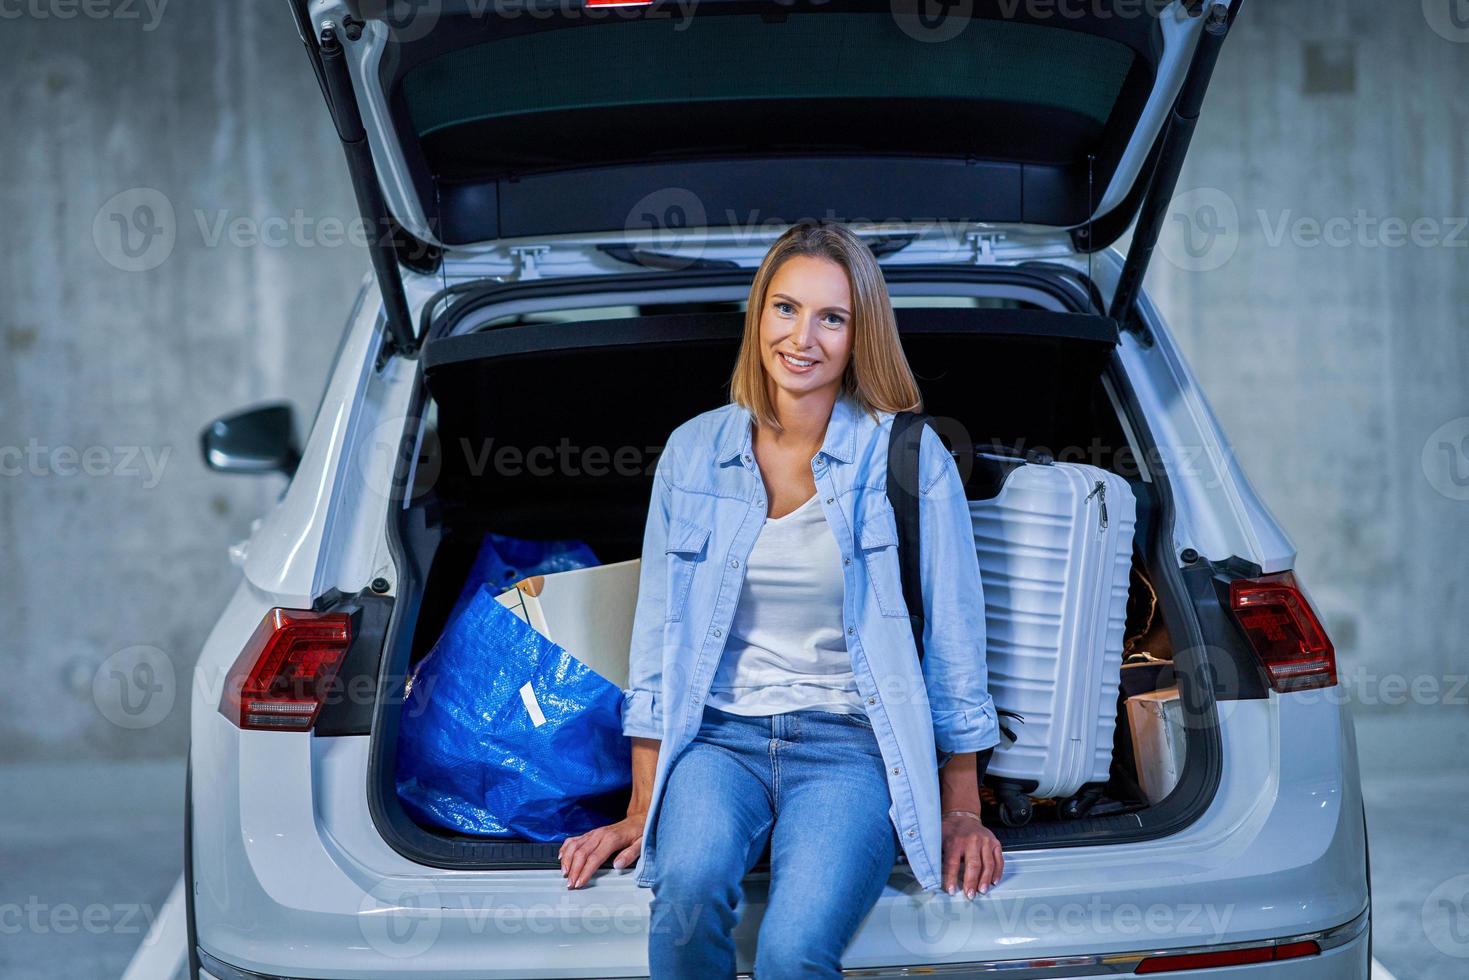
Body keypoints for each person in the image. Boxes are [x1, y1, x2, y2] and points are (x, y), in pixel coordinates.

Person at [557, 220, 1003, 978]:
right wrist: (641, 807)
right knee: (686, 899)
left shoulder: (906, 457)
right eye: (786, 309)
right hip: (718, 741)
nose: (803, 337)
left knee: (793, 953)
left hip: (850, 748)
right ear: (758, 314)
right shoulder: (694, 451)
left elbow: (954, 638)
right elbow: (658, 638)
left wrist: (960, 806)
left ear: (861, 335)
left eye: (833, 317)